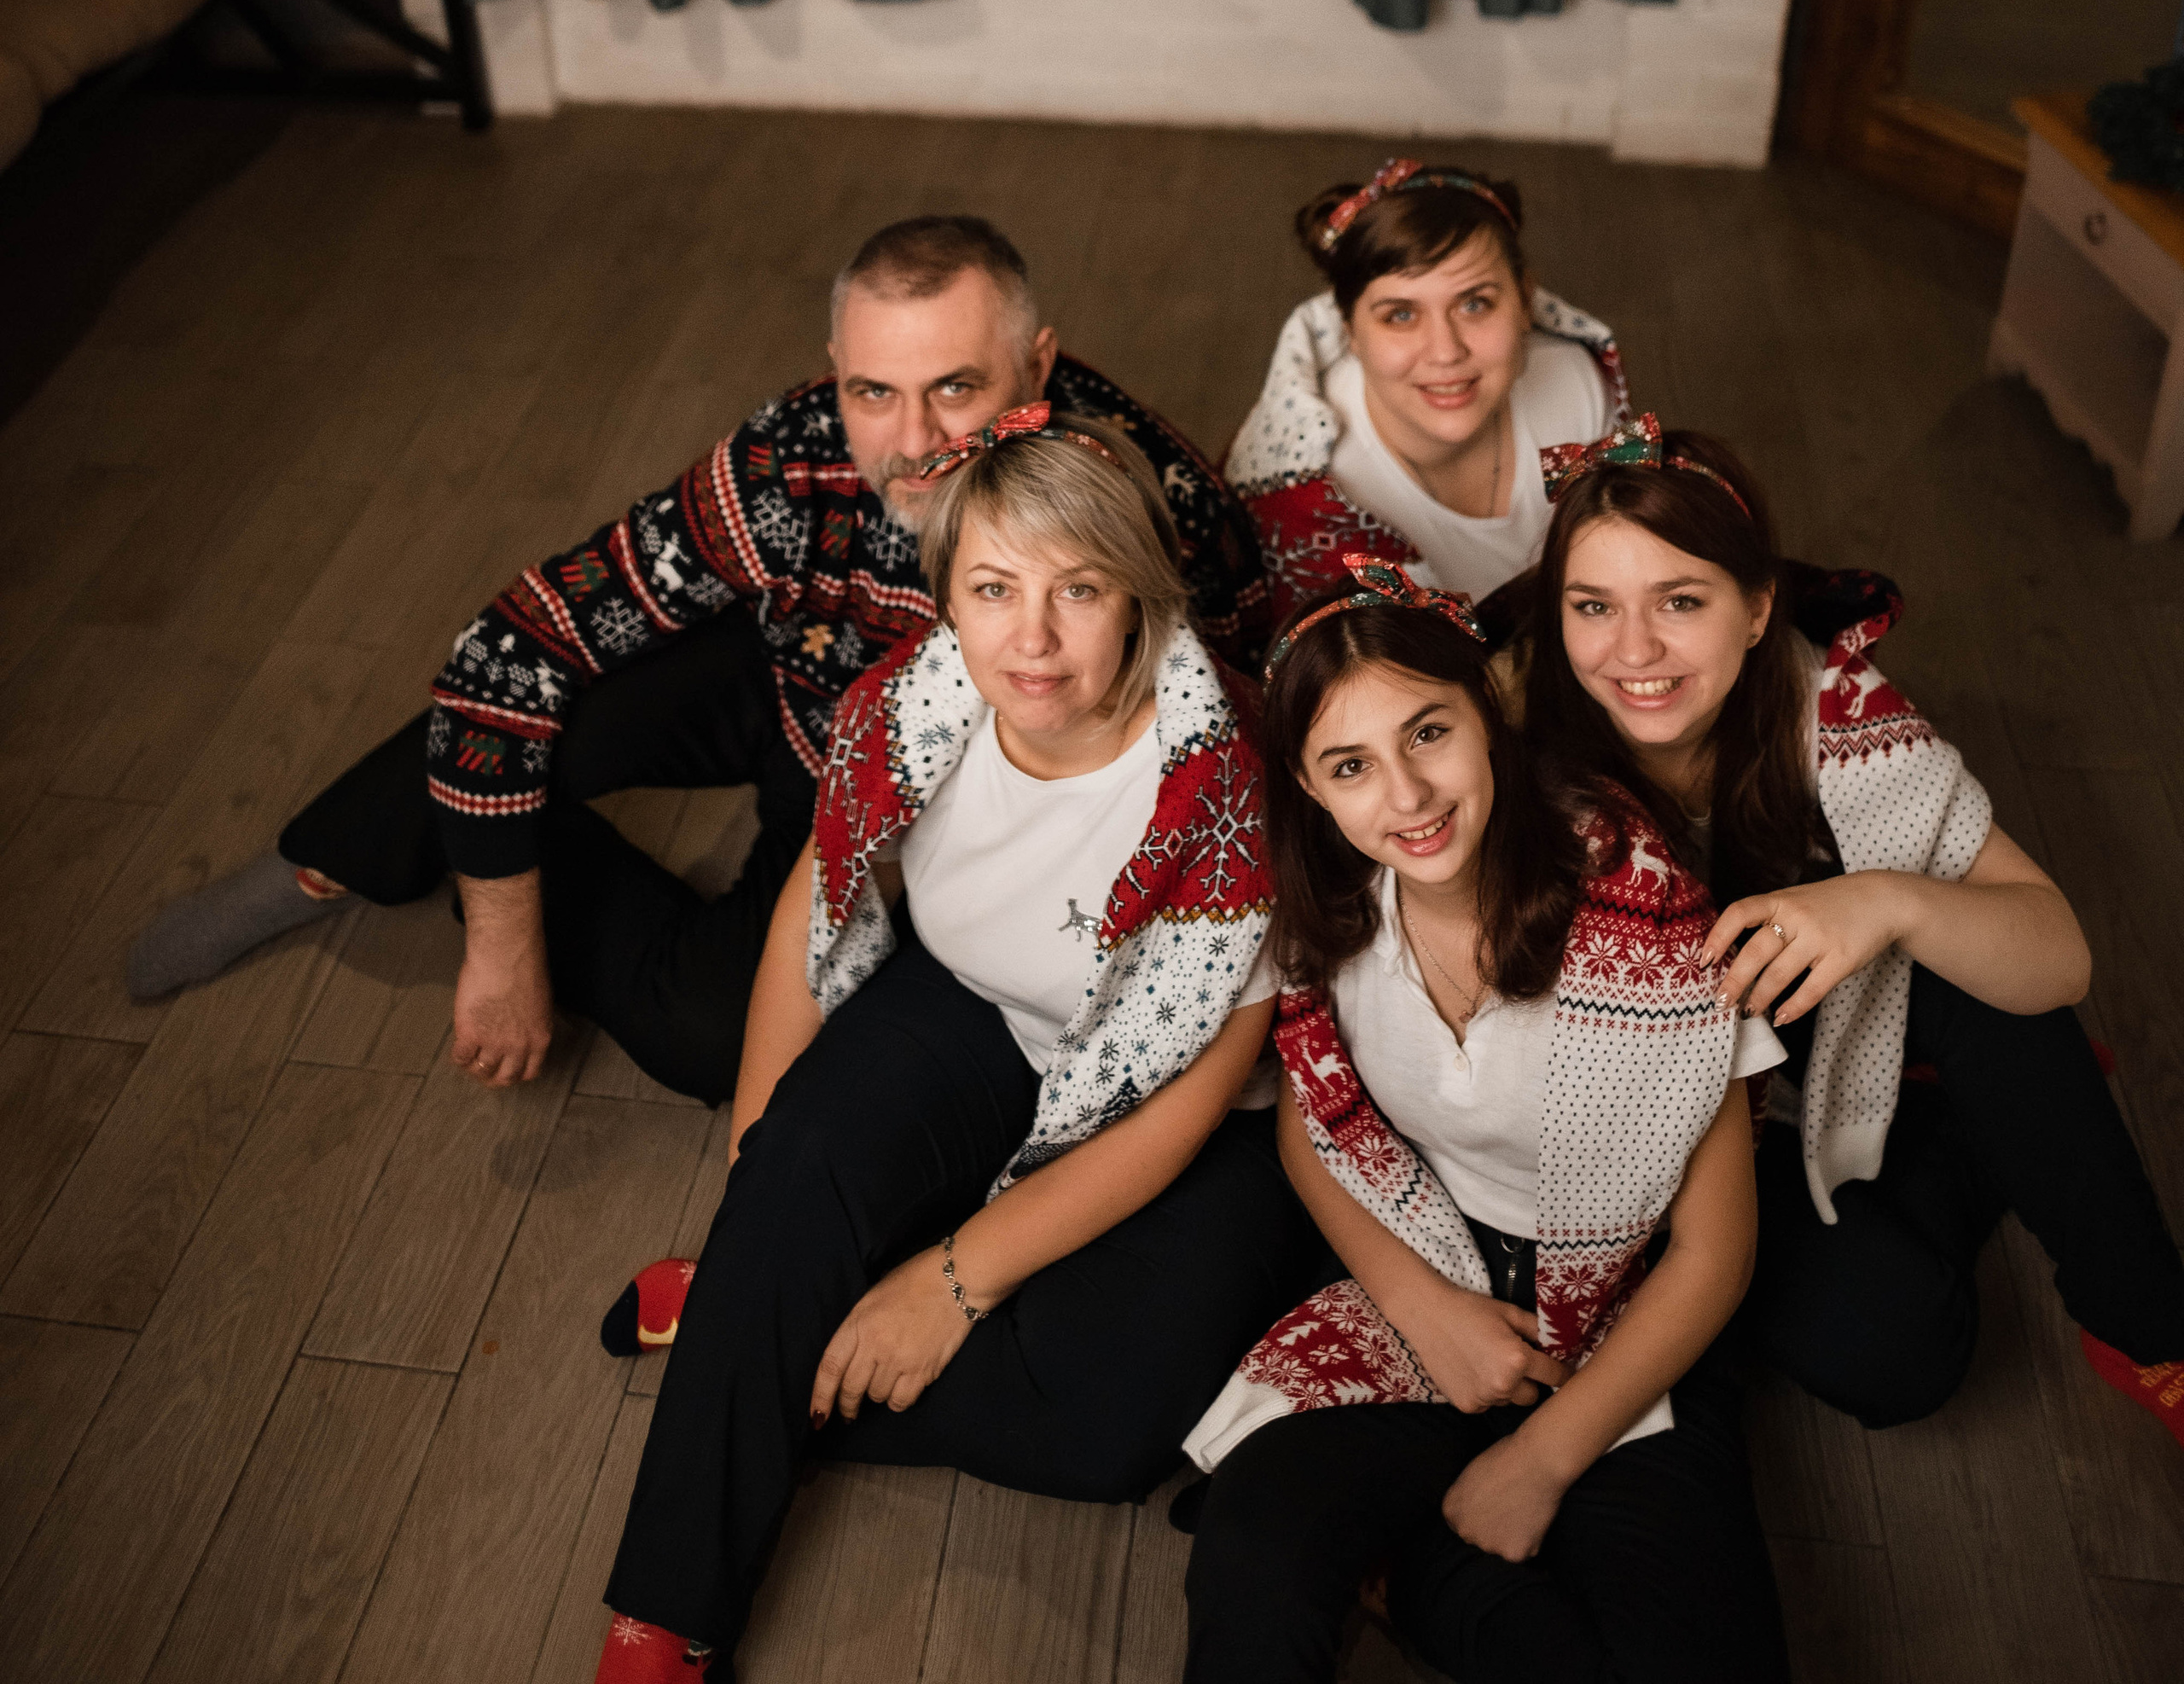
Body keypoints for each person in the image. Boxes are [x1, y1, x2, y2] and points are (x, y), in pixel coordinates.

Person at [125, 214, 1266, 1106]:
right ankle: (335, 858)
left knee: (714, 1035)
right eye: (874, 390)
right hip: (788, 683)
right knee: (535, 682)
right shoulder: (793, 456)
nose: (913, 440)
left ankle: (475, 835)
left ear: (1037, 361)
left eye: (956, 387)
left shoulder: (1142, 490)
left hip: (898, 802)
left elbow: (1241, 694)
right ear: (836, 371)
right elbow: (519, 634)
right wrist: (505, 947)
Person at [593, 406, 1321, 1684]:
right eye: (993, 588)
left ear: (1141, 595)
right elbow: (814, 902)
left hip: (1181, 1106)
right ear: (950, 595)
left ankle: (747, 1343)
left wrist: (955, 1279)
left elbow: (1197, 1094)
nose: (1029, 637)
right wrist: (760, 1166)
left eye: (1078, 589)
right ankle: (666, 1611)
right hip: (979, 1005)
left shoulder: (1219, 784)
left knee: (1106, 1429)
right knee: (798, 1157)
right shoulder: (908, 706)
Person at [1514, 409, 2184, 1449]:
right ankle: (1980, 1134)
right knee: (1900, 1355)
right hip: (1674, 1106)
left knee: (1983, 963)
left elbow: (2061, 956)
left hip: (1819, 1009)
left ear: (1754, 610)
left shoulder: (1830, 705)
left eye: (1679, 602)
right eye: (1592, 606)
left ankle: (2148, 1326)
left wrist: (1885, 899)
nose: (1633, 651)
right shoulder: (1513, 725)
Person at [1176, 559, 1790, 1684]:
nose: (1405, 797)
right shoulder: (1330, 908)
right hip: (1422, 1268)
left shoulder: (1642, 907)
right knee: (1253, 1556)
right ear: (1311, 788)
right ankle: (1408, 1549)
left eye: (1427, 732)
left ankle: (1420, 1575)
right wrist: (1426, 1308)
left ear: (1489, 712)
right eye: (1350, 765)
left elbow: (1715, 1250)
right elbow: (1313, 1128)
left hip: (1624, 1308)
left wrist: (1545, 1460)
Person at [1226, 160, 1626, 630]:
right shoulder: (1323, 491)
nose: (1446, 352)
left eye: (1475, 304)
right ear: (1349, 329)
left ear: (1524, 301)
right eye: (1400, 315)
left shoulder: (1575, 388)